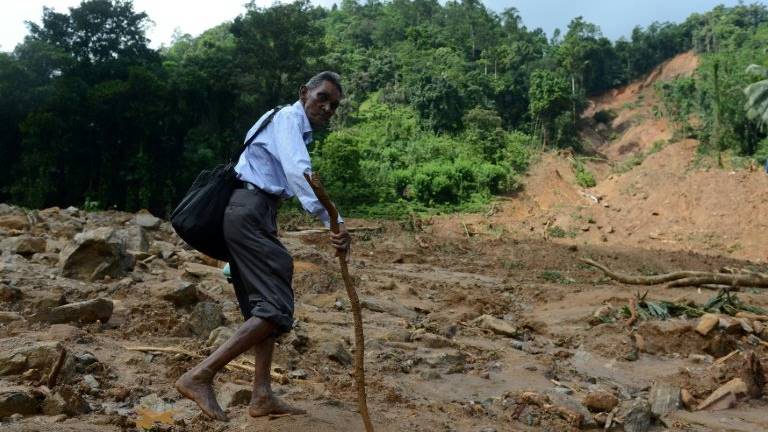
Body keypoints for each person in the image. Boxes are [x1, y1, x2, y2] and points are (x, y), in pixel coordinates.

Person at [175, 71, 351, 420]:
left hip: (249, 213)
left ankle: (261, 395)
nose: (327, 108)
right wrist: (335, 221)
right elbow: (299, 172)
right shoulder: (287, 118)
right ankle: (199, 375)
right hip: (249, 213)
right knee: (274, 307)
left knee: (262, 307)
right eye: (322, 98)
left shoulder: (276, 118)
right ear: (304, 93)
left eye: (334, 105)